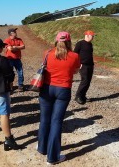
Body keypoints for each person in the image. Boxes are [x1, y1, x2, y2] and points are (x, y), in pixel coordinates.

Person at [37, 31, 80, 165]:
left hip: (46, 88)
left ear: (56, 40)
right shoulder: (74, 56)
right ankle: (53, 157)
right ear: (69, 41)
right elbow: (76, 70)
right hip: (63, 90)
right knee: (56, 122)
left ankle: (42, 148)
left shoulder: (47, 53)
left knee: (44, 119)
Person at [74, 30, 95, 105]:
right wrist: (78, 64)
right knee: (84, 81)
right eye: (92, 36)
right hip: (83, 65)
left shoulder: (90, 44)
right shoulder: (80, 43)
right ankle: (78, 96)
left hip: (90, 65)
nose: (93, 38)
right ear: (88, 35)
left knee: (88, 81)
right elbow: (75, 55)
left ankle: (83, 95)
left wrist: (92, 64)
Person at [4, 28, 25, 92]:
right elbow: (10, 49)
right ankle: (10, 86)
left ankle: (20, 85)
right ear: (11, 33)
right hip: (9, 59)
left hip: (17, 59)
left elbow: (23, 47)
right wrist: (18, 47)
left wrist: (15, 47)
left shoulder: (19, 39)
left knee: (20, 72)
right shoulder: (7, 40)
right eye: (14, 32)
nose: (16, 32)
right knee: (10, 73)